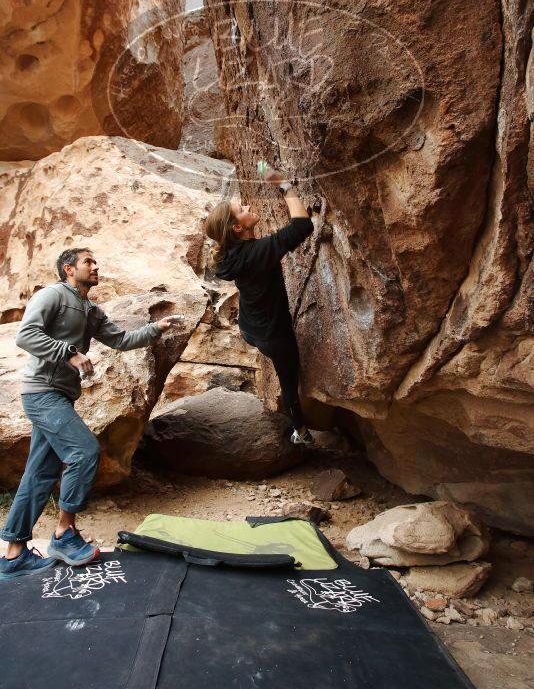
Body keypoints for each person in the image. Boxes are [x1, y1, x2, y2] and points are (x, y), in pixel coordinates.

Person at [0, 248, 181, 580]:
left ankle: (13, 555)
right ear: (69, 269)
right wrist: (69, 353)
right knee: (83, 452)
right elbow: (26, 335)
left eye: (97, 261)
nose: (96, 266)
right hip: (42, 393)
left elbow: (121, 339)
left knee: (39, 473)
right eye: (88, 262)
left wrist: (156, 328)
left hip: (59, 398)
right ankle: (63, 535)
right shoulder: (53, 295)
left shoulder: (90, 309)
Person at [205, 166, 314, 445]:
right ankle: (299, 431)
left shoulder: (230, 256)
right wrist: (285, 185)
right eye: (240, 208)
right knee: (289, 381)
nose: (247, 204)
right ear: (237, 227)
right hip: (273, 335)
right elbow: (303, 226)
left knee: (284, 370)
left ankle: (300, 430)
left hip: (251, 328)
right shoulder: (257, 252)